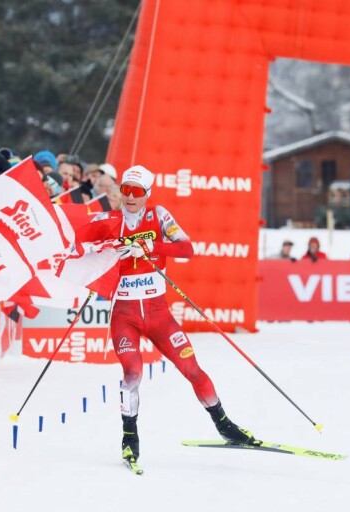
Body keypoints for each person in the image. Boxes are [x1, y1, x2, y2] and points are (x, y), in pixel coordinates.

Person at [108, 164, 257, 466]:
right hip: (125, 316)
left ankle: (225, 425)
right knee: (133, 372)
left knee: (192, 369)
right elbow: (82, 246)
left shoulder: (159, 216)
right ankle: (129, 438)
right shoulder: (110, 221)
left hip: (158, 314)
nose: (130, 197)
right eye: (126, 190)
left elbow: (187, 249)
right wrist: (108, 251)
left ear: (147, 193)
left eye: (137, 191)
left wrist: (151, 245)